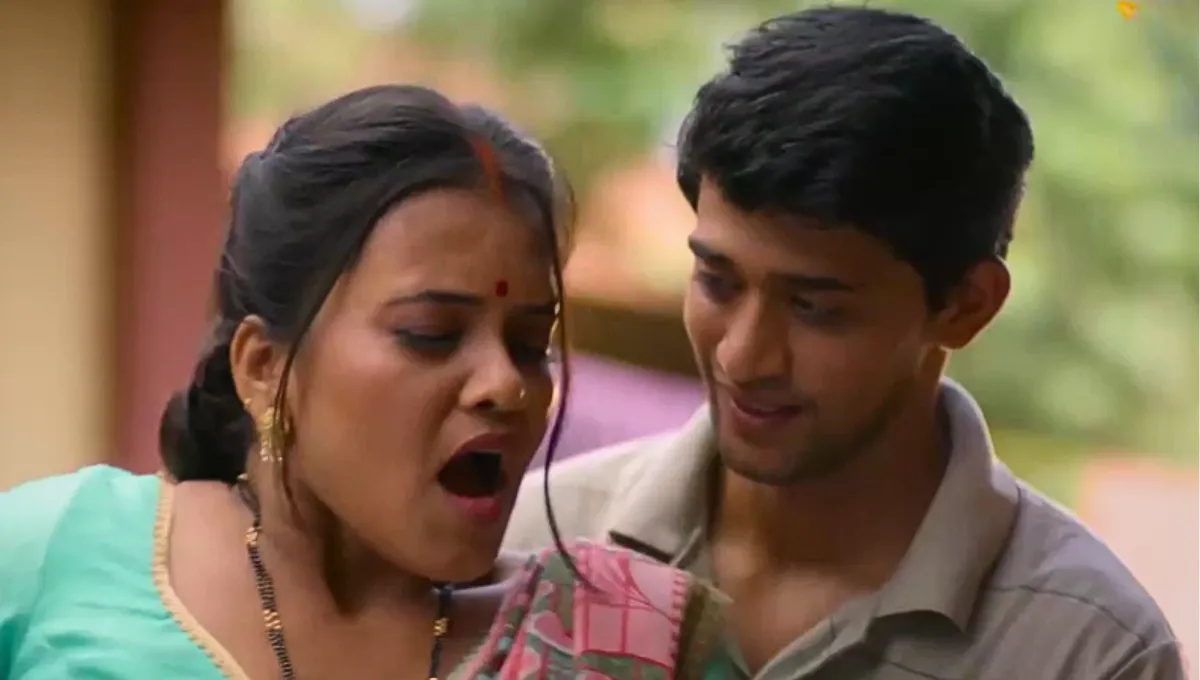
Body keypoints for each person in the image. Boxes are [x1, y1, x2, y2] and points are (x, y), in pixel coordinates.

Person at [503, 7, 1186, 680]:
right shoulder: (527, 544)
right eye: (717, 281)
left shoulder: (1088, 653)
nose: (743, 357)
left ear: (965, 306)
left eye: (815, 309)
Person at [0, 84, 735, 679]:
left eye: (528, 344)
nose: (506, 385)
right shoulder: (50, 558)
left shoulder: (625, 643)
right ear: (264, 368)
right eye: (431, 333)